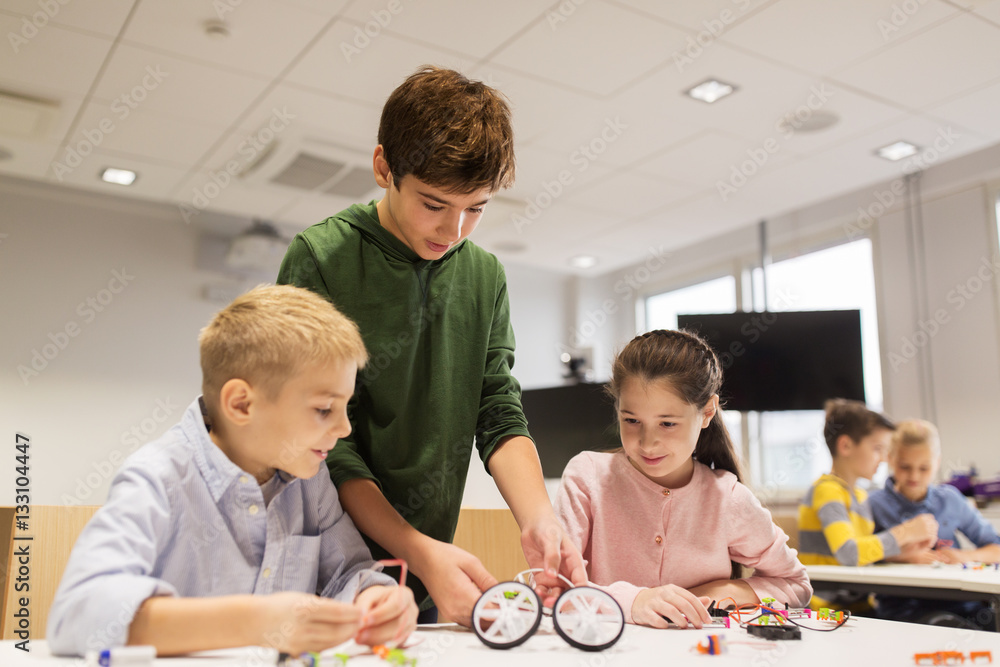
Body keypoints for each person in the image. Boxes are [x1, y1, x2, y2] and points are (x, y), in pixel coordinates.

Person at [276, 65, 585, 625]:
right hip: (319, 565)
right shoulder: (321, 258)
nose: (454, 230)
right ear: (383, 168)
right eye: (434, 204)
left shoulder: (484, 276)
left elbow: (497, 409)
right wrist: (414, 547)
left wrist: (539, 516)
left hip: (428, 567)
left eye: (477, 208)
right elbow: (321, 438)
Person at [47, 285, 417, 657]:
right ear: (241, 404)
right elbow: (75, 614)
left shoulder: (311, 481)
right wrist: (256, 623)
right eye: (324, 409)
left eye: (345, 407)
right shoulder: (157, 478)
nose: (344, 428)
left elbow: (350, 572)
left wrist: (379, 598)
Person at [554, 329, 811, 628]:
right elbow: (556, 588)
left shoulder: (726, 497)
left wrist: (712, 593)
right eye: (632, 420)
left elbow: (795, 583)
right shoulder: (587, 476)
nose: (647, 443)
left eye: (667, 423)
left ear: (706, 412)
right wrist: (634, 602)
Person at [798, 399, 938, 611]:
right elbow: (849, 553)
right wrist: (905, 532)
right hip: (827, 611)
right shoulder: (827, 491)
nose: (883, 459)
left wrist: (901, 555)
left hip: (858, 606)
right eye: (877, 448)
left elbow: (863, 553)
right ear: (845, 446)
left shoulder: (861, 496)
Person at [869, 419, 1000, 628]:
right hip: (905, 611)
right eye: (905, 467)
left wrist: (963, 557)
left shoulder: (950, 499)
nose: (914, 476)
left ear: (937, 462)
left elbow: (996, 548)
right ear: (890, 459)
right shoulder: (873, 504)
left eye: (924, 468)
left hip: (964, 606)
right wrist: (905, 556)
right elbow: (859, 555)